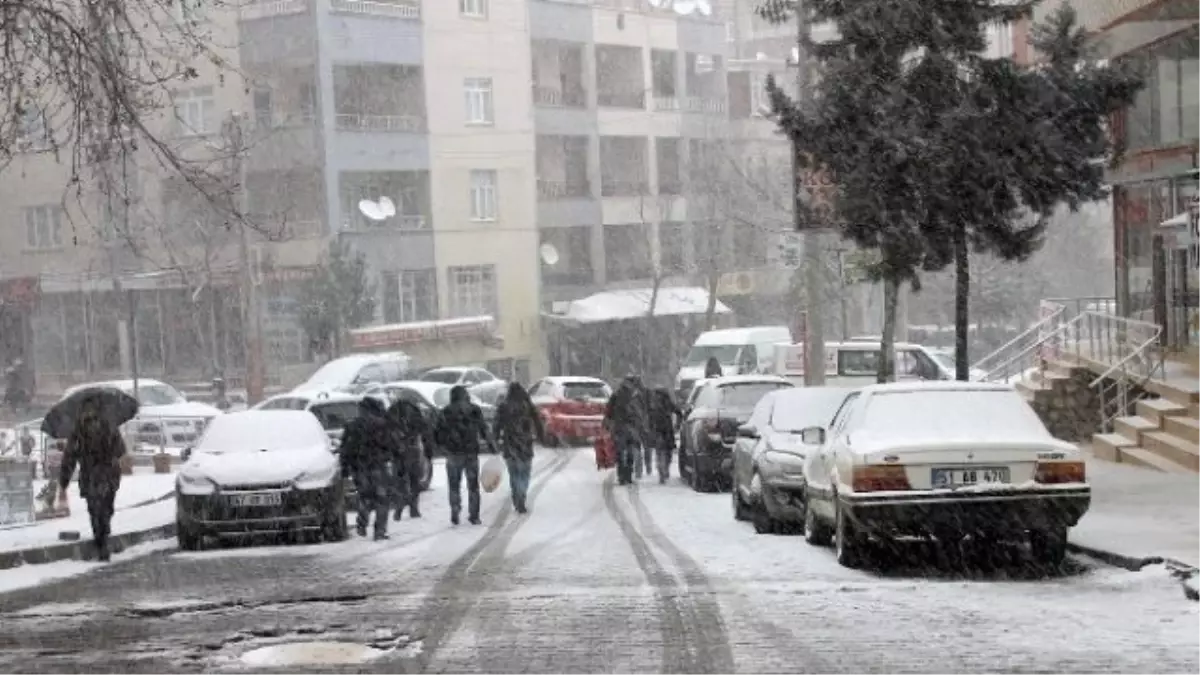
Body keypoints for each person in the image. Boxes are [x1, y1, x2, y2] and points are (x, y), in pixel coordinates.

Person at [58, 401, 126, 562]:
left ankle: (100, 539)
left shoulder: (78, 431)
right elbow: (120, 450)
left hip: (90, 476)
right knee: (106, 507)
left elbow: (69, 457)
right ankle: (104, 535)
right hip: (109, 474)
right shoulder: (109, 426)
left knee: (94, 509)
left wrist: (63, 482)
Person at [435, 385, 496, 525]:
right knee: (473, 486)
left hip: (453, 454)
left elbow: (438, 432)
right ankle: (474, 515)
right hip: (471, 454)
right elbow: (483, 428)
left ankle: (455, 510)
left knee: (454, 485)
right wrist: (491, 445)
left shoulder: (445, 412)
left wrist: (442, 447)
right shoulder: (474, 410)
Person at [339, 397, 398, 540]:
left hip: (359, 468)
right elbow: (392, 445)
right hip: (378, 466)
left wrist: (345, 468)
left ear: (361, 410)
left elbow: (345, 449)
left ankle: (362, 523)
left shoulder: (352, 426)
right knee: (382, 499)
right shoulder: (382, 425)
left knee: (364, 497)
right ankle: (380, 531)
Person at [494, 382, 544, 514]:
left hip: (509, 444)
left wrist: (495, 438)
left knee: (514, 473)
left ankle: (516, 494)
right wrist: (540, 435)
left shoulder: (504, 406)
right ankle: (521, 493)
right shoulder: (527, 405)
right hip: (525, 444)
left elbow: (497, 424)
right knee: (525, 472)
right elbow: (538, 422)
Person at [387, 396, 432, 520]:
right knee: (414, 481)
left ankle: (400, 507)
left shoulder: (391, 412)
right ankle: (413, 508)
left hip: (397, 453)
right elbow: (425, 431)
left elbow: (386, 432)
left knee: (400, 482)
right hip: (413, 450)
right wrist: (428, 450)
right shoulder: (415, 412)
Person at [604, 375, 647, 486]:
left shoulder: (617, 394)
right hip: (633, 427)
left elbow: (608, 411)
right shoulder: (637, 396)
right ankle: (627, 475)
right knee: (630, 451)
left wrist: (607, 423)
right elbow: (643, 412)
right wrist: (643, 426)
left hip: (619, 427)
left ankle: (621, 475)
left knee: (620, 451)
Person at [648, 388, 682, 483]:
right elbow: (679, 412)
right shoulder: (668, 403)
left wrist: (649, 428)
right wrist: (677, 425)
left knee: (660, 453)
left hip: (657, 430)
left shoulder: (653, 404)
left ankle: (662, 471)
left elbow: (648, 418)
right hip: (667, 430)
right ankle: (665, 469)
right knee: (667, 452)